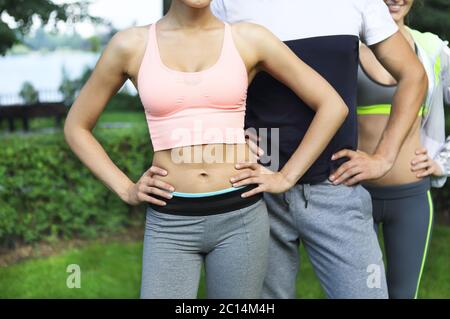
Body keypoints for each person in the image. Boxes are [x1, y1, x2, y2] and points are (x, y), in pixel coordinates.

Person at [63, 0, 349, 299]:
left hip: (241, 217)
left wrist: (286, 177)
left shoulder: (249, 38)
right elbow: (76, 126)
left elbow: (332, 105)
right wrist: (125, 189)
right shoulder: (130, 45)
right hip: (170, 221)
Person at [212, 0, 428, 298]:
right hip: (256, 187)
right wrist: (226, 133)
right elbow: (201, 79)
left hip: (335, 185)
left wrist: (384, 157)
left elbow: (413, 75)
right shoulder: (227, 4)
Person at [353, 0, 450, 299]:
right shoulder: (344, 46)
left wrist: (444, 160)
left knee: (403, 295)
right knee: (358, 293)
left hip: (411, 197)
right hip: (353, 198)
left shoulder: (432, 49)